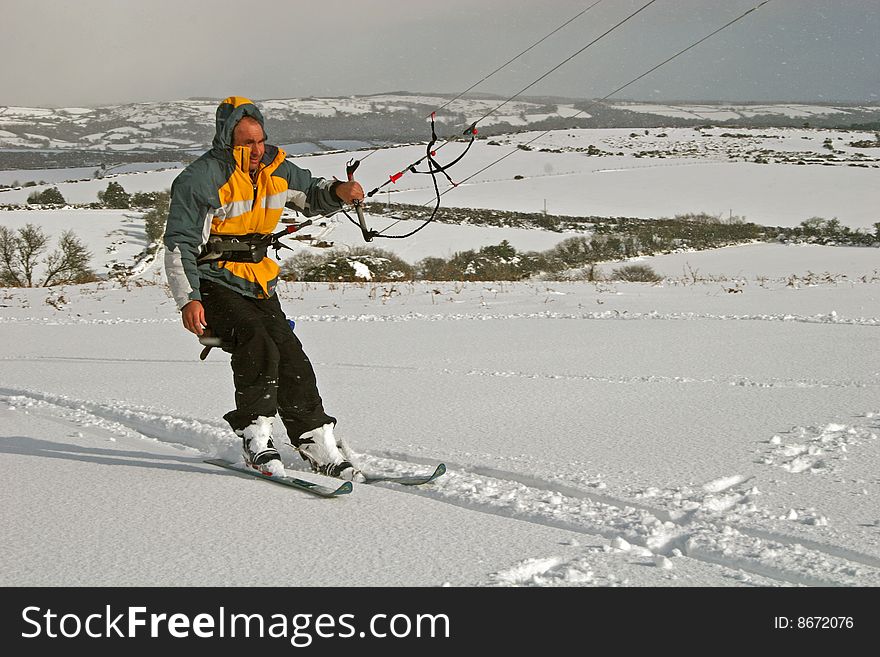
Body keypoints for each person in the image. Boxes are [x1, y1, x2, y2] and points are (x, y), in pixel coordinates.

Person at [163, 96, 364, 481]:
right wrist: (188, 299)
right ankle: (255, 436)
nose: (256, 150)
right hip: (212, 282)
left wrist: (339, 192)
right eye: (246, 143)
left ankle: (314, 439)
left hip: (258, 280)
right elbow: (179, 244)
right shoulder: (201, 179)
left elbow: (312, 193)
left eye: (260, 140)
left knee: (291, 353)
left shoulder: (277, 169)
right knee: (257, 340)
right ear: (226, 139)